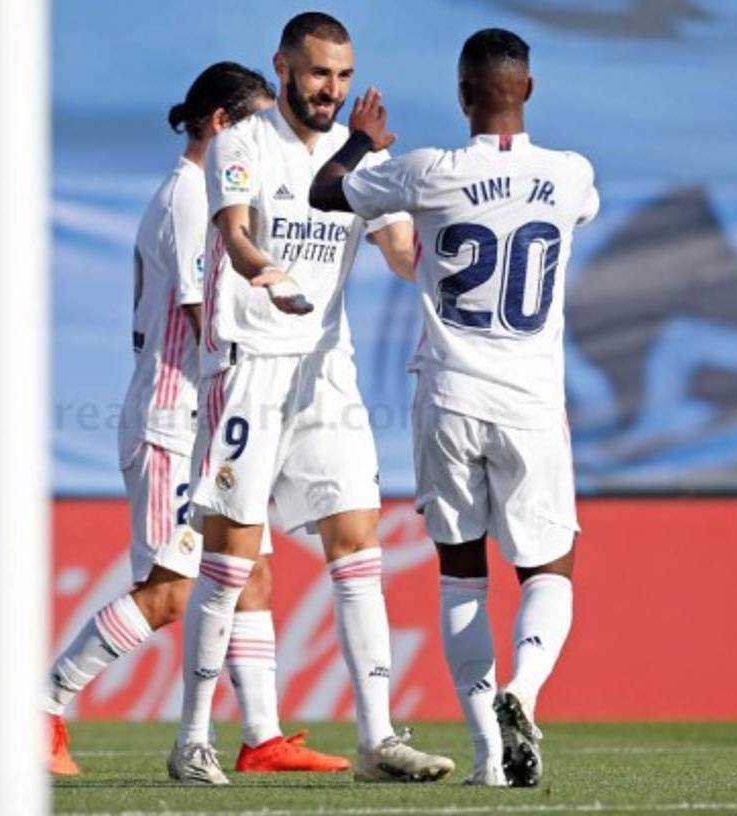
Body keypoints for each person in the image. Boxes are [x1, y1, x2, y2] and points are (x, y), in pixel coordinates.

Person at [169, 12, 456, 785]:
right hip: (250, 367)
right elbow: (234, 233)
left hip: (327, 371)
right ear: (285, 67)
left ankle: (376, 738)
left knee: (358, 543)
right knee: (230, 561)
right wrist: (267, 271)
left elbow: (401, 253)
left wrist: (452, 259)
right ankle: (192, 737)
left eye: (343, 75)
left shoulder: (358, 161)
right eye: (319, 73)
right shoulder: (241, 144)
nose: (332, 90)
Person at [310, 28, 600, 787]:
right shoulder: (571, 174)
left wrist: (359, 141)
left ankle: (486, 758)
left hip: (447, 397)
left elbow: (326, 192)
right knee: (549, 569)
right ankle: (524, 693)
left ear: (462, 95)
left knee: (462, 574)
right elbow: (579, 213)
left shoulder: (427, 171)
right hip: (532, 403)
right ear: (527, 91)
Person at [46, 62, 348, 777]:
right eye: (251, 125)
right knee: (175, 590)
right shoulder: (190, 197)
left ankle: (263, 737)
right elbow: (200, 310)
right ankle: (39, 707)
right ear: (220, 125)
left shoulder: (208, 194)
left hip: (213, 418)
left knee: (254, 573)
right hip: (173, 422)